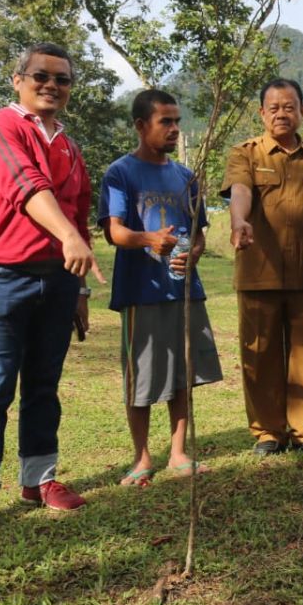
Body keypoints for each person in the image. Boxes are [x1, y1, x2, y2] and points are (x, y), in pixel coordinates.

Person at [0, 43, 106, 539]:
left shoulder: (69, 145)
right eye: (41, 75)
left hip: (58, 280)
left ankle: (39, 479)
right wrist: (69, 237)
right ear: (17, 79)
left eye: (62, 79)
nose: (52, 85)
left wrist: (78, 287)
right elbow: (26, 185)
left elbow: (78, 210)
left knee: (43, 385)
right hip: (0, 275)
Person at [97, 89, 223, 486]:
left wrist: (194, 256)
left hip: (184, 291)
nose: (173, 129)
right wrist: (149, 239)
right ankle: (141, 457)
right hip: (141, 292)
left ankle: (179, 452)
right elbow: (114, 232)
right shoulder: (120, 173)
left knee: (183, 374)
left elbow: (198, 234)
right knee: (143, 377)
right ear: (140, 125)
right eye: (164, 121)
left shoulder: (186, 176)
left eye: (177, 121)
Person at [221, 78, 303, 457]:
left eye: (289, 107)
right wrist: (239, 220)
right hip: (260, 272)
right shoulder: (246, 154)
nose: (282, 114)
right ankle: (268, 432)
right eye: (274, 108)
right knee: (260, 355)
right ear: (262, 113)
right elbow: (240, 190)